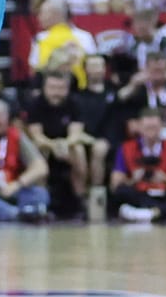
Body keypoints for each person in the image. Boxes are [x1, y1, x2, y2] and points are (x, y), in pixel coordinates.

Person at [24, 69, 107, 214]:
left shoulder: (75, 103)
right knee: (39, 152)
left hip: (67, 145)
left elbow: (75, 134)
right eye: (52, 88)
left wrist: (64, 145)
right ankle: (41, 201)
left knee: (79, 150)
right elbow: (37, 136)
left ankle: (80, 199)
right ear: (44, 88)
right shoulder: (35, 104)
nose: (56, 92)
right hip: (45, 144)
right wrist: (54, 146)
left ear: (67, 89)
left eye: (61, 88)